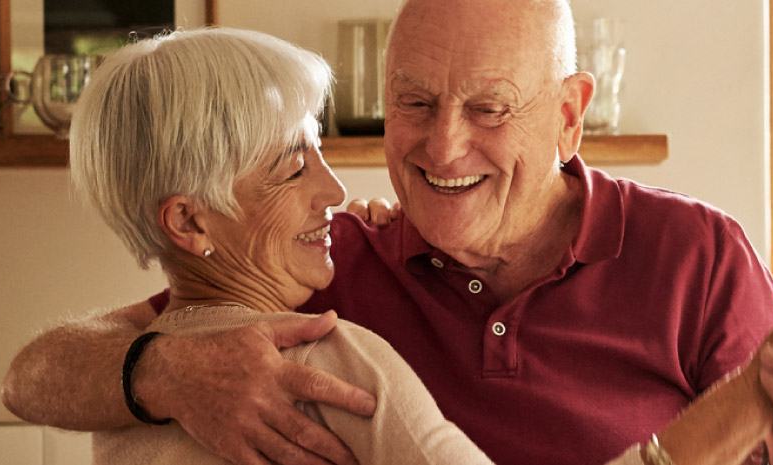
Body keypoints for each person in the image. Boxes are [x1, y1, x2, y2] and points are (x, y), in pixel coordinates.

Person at [5, 1, 773, 464]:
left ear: (570, 116)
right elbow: (34, 373)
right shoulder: (316, 276)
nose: (443, 144)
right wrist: (163, 371)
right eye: (414, 104)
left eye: (489, 108)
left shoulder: (698, 259)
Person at [64, 28, 494, 464]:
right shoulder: (332, 359)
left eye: (319, 153)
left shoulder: (119, 399)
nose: (335, 190)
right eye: (293, 170)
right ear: (189, 221)